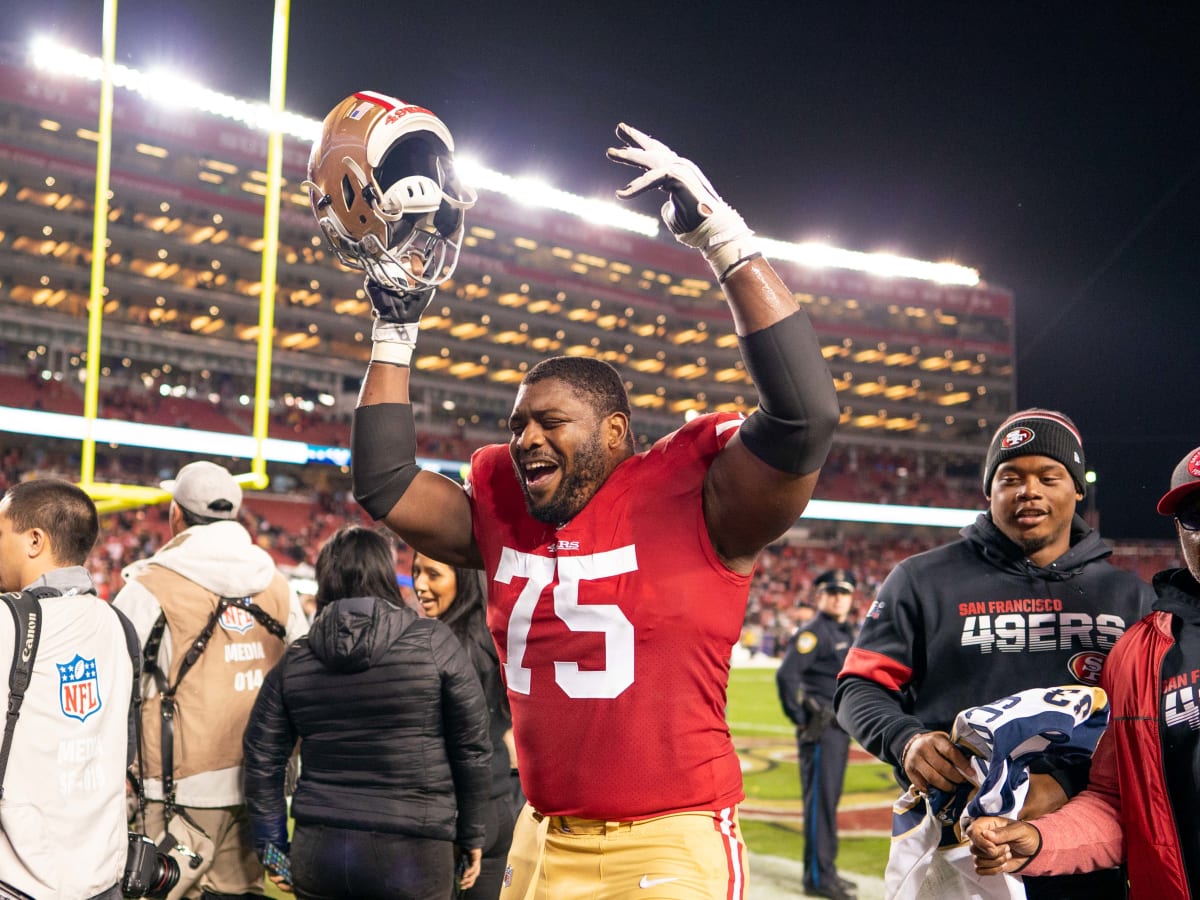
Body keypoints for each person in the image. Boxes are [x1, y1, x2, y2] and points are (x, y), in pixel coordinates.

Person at [307, 91, 839, 899]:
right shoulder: (503, 505)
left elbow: (805, 416)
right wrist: (395, 331)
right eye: (517, 425)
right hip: (542, 836)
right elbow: (384, 483)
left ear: (617, 431)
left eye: (550, 422)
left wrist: (724, 240)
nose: (524, 440)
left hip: (670, 838)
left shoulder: (695, 494)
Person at [834, 408, 1154, 900]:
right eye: (1010, 478)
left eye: (1049, 476)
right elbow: (859, 686)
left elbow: (1144, 726)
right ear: (989, 491)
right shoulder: (921, 580)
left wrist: (1066, 784)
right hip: (956, 845)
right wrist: (906, 741)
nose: (1030, 491)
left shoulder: (1128, 597)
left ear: (1077, 489)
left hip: (1083, 844)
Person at [967, 444, 1200, 896]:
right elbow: (1118, 803)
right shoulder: (1140, 655)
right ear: (1179, 529)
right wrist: (1039, 841)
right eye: (1196, 515)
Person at [242, 526, 493, 900]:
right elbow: (472, 749)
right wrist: (473, 832)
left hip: (321, 851)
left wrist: (271, 846)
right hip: (413, 853)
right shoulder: (434, 642)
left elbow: (261, 755)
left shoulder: (297, 658)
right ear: (385, 574)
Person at [113, 461, 308, 899]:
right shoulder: (278, 585)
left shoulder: (149, 587)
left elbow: (112, 678)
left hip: (173, 791)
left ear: (175, 515)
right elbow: (302, 677)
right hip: (259, 787)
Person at [0, 479, 135, 899]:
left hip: (18, 880)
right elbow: (125, 743)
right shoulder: (118, 623)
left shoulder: (6, 622)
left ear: (34, 540)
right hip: (102, 876)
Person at [412, 552, 516, 900]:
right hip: (502, 804)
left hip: (458, 812)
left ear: (464, 580)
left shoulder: (442, 649)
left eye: (433, 574)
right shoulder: (496, 636)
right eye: (416, 572)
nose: (420, 585)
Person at [775, 569, 860, 900]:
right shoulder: (815, 632)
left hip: (837, 730)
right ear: (820, 596)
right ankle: (817, 879)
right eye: (832, 591)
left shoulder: (842, 630)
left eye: (844, 592)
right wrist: (799, 717)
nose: (838, 597)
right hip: (821, 730)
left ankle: (827, 871)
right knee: (820, 806)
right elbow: (787, 676)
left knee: (828, 803)